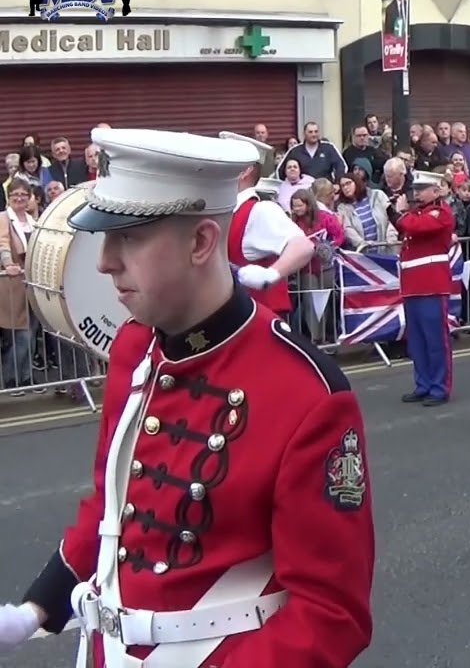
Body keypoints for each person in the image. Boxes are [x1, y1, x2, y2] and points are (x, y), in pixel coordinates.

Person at [0, 128, 374, 665]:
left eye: (127, 237)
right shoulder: (135, 348)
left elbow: (331, 614)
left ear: (200, 243)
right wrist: (37, 608)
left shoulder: (307, 394)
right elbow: (113, 505)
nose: (104, 261)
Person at [219, 131, 315, 321]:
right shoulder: (224, 212)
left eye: (225, 163)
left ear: (245, 170)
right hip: (231, 320)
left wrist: (271, 274)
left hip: (258, 321)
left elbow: (303, 246)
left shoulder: (260, 211)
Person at [394, 171, 455, 407]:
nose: (416, 194)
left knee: (435, 339)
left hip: (431, 284)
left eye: (421, 189)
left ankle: (439, 387)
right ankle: (423, 384)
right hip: (412, 285)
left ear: (436, 191)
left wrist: (399, 212)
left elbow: (416, 227)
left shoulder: (440, 213)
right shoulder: (416, 213)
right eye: (415, 190)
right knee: (417, 341)